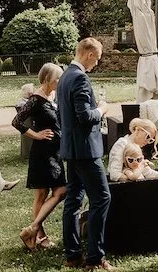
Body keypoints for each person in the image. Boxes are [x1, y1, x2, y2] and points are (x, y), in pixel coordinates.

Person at [57, 37, 112, 271]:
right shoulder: (80, 78)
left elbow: (61, 115)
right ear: (89, 54)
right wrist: (102, 109)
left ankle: (72, 254)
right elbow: (85, 116)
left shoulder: (64, 77)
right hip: (86, 151)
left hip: (71, 148)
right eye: (96, 59)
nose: (96, 64)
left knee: (73, 200)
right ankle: (95, 258)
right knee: (102, 198)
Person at [12, 63, 66, 251]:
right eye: (57, 78)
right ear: (47, 79)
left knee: (60, 192)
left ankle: (32, 231)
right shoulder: (36, 99)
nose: (60, 81)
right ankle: (40, 236)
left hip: (56, 152)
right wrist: (36, 135)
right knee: (42, 194)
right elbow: (17, 122)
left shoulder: (54, 96)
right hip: (42, 153)